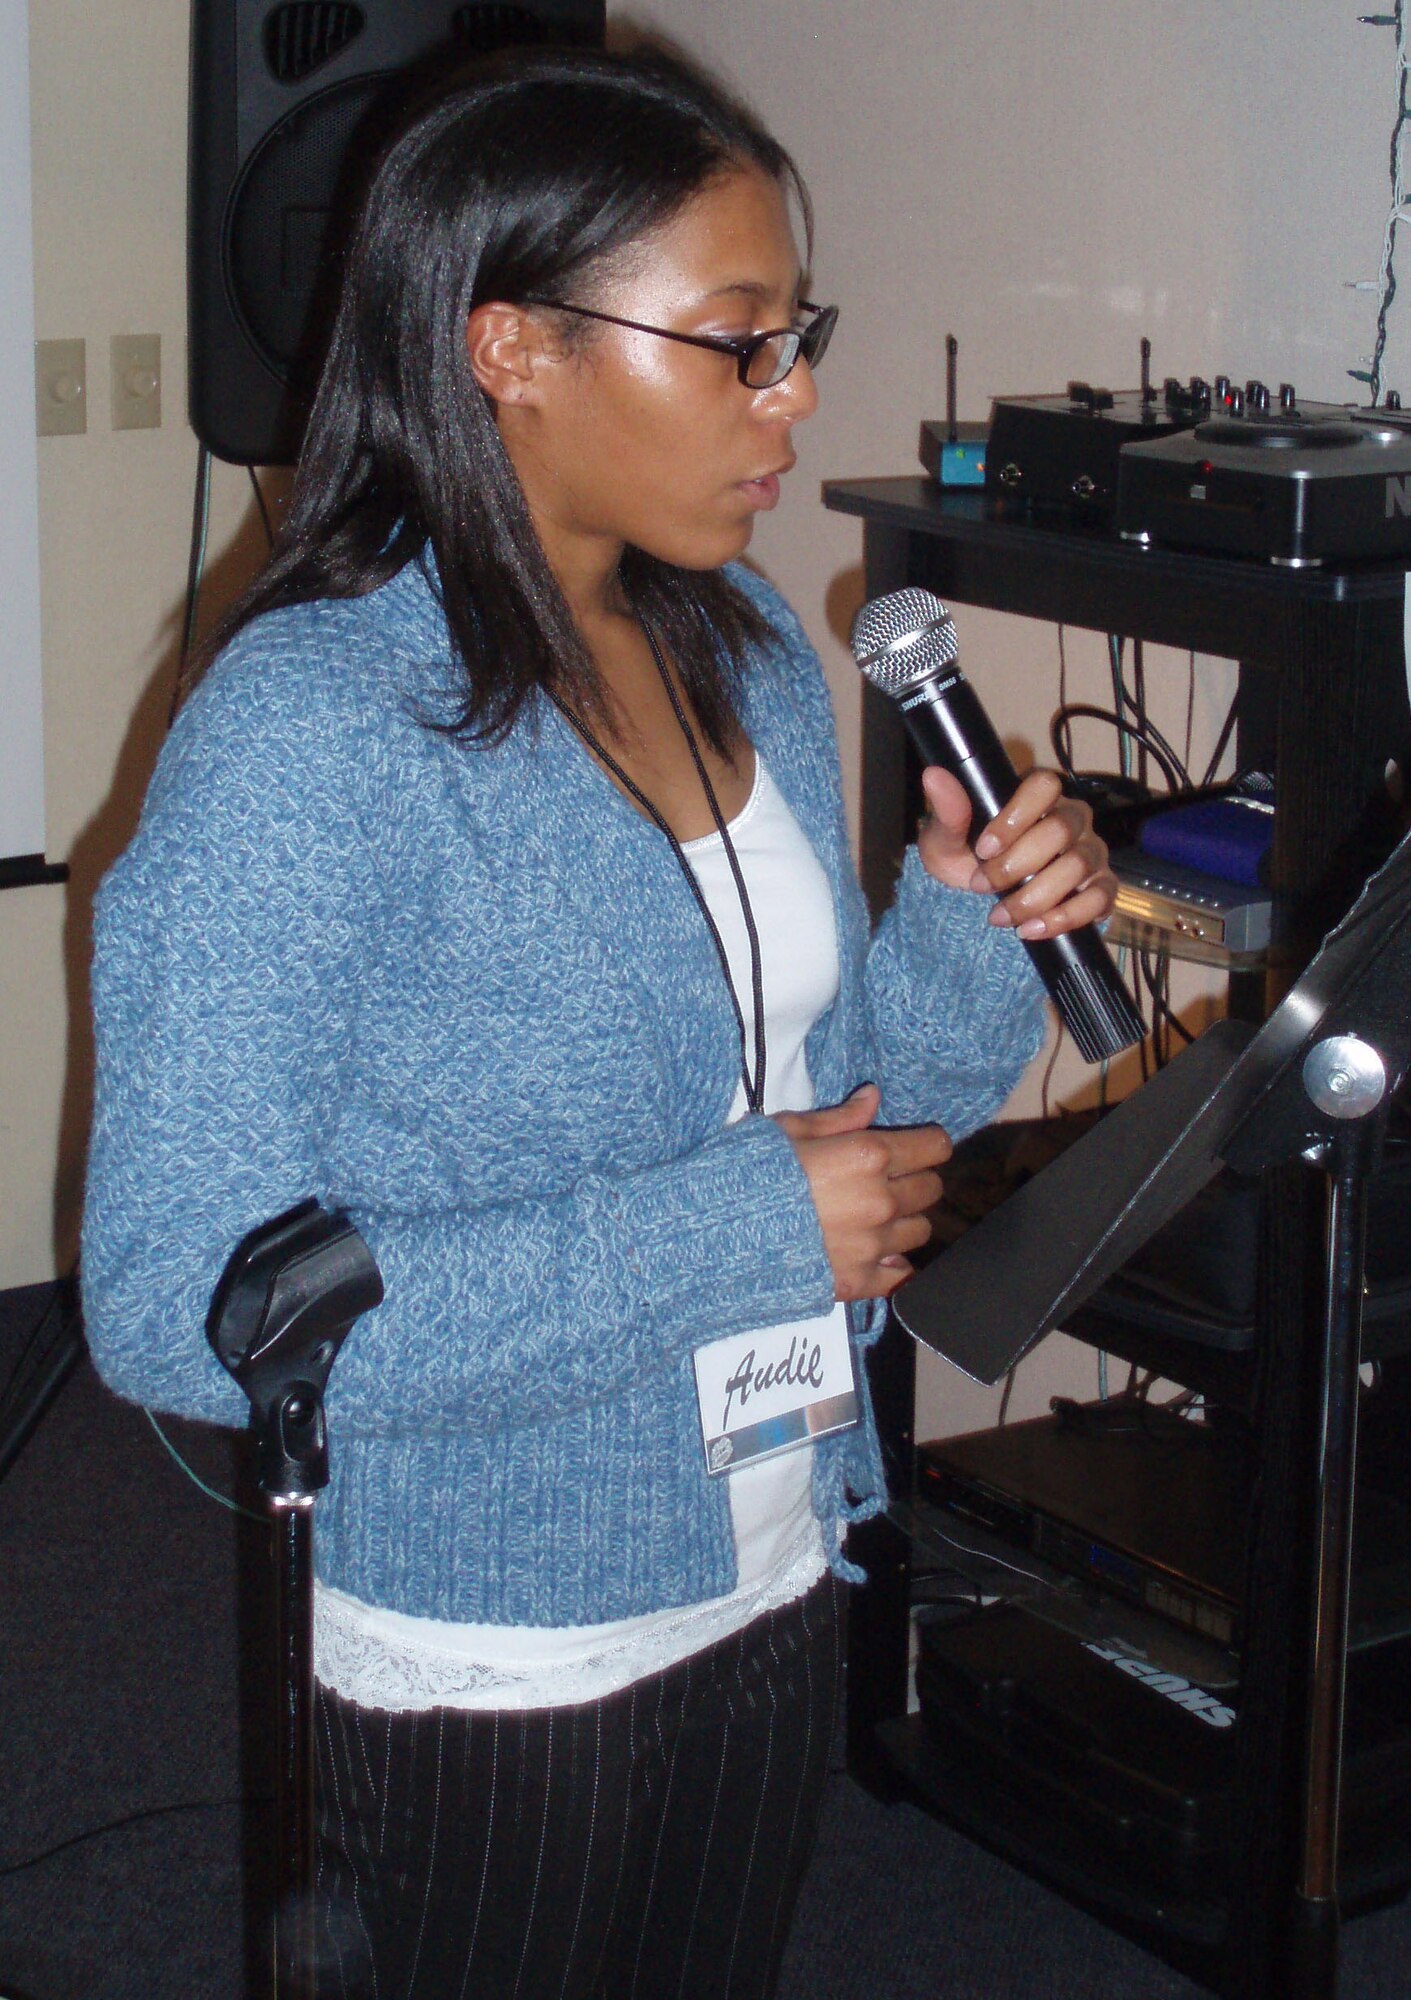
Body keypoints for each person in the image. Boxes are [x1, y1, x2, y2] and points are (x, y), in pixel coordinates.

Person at [81, 43, 1114, 2000]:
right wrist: (739, 1235)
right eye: (736, 340)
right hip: (501, 1637)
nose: (792, 396)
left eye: (791, 332)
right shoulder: (309, 738)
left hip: (775, 1540)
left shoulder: (733, 651)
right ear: (509, 350)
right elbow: (181, 1303)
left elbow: (852, 1123)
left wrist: (964, 926)